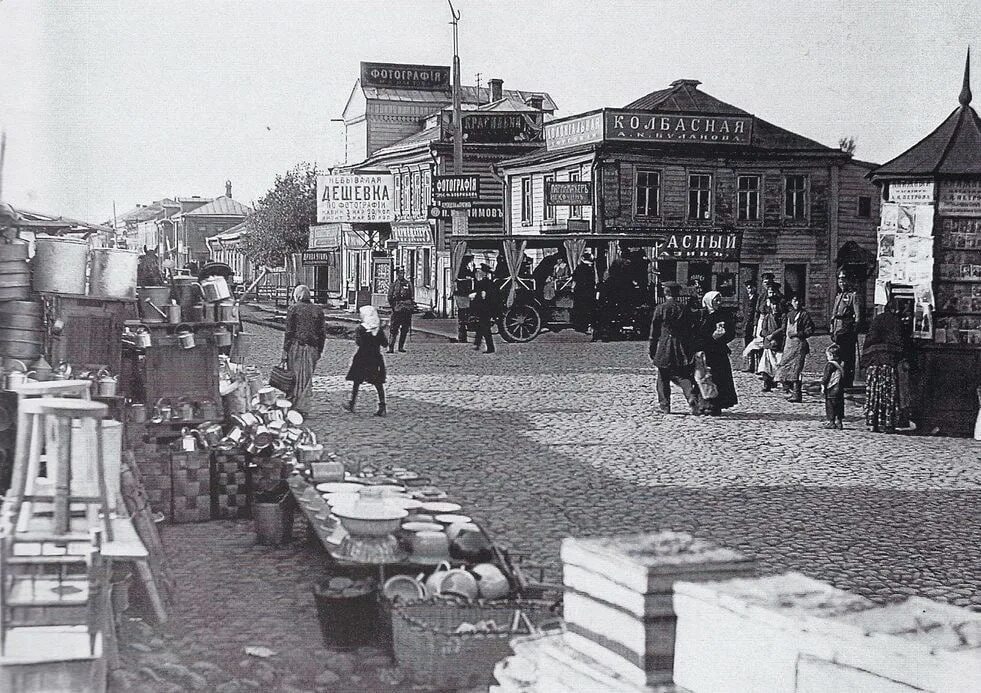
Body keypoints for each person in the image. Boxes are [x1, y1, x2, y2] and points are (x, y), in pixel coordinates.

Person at [649, 281, 699, 415]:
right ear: (677, 293)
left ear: (665, 293)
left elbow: (654, 332)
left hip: (665, 346)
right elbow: (692, 330)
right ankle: (691, 396)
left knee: (663, 376)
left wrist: (652, 349)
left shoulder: (661, 308)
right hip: (681, 346)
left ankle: (665, 406)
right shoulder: (684, 309)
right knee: (683, 376)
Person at [861, 298, 908, 433]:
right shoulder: (897, 322)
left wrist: (865, 362)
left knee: (874, 393)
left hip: (874, 362)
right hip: (888, 363)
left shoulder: (877, 319)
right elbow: (901, 343)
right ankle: (888, 424)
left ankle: (873, 423)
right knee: (888, 394)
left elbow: (869, 339)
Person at [282, 284, 325, 415]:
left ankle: (294, 405)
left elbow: (289, 332)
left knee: (294, 377)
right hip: (312, 348)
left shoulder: (293, 309)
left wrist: (285, 351)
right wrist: (319, 350)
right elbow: (322, 333)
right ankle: (303, 406)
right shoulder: (318, 310)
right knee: (306, 379)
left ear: (297, 295)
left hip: (296, 346)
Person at [693, 291, 738, 415]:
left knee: (719, 378)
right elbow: (696, 334)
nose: (719, 303)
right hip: (704, 352)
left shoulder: (723, 315)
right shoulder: (700, 315)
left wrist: (721, 337)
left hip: (718, 352)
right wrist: (710, 337)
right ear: (708, 301)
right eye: (716, 300)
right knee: (703, 378)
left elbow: (731, 332)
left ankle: (716, 405)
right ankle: (702, 404)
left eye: (720, 300)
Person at [343, 305, 388, 417]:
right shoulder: (378, 330)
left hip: (362, 358)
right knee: (378, 383)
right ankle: (382, 405)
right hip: (375, 358)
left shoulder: (361, 329)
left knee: (357, 381)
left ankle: (352, 403)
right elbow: (385, 344)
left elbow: (359, 343)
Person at [773, 293, 815, 403]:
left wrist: (798, 333)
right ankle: (789, 389)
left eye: (798, 301)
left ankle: (797, 394)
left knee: (796, 369)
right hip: (788, 345)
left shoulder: (804, 315)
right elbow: (784, 331)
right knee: (783, 366)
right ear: (791, 302)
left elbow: (810, 330)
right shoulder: (789, 315)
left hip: (799, 345)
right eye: (794, 300)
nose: (796, 303)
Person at [830, 270, 862, 388]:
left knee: (847, 356)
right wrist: (831, 329)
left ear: (848, 281)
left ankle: (847, 381)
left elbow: (858, 316)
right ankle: (838, 378)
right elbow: (834, 314)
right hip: (838, 329)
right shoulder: (839, 296)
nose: (841, 282)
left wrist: (854, 330)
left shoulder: (853, 296)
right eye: (839, 280)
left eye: (844, 280)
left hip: (847, 329)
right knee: (837, 355)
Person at [755, 284, 785, 392]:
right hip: (768, 344)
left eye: (776, 305)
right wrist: (766, 335)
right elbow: (762, 330)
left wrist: (774, 335)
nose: (775, 307)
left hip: (778, 343)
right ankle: (767, 383)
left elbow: (783, 328)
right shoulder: (767, 317)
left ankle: (783, 383)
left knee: (778, 363)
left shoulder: (782, 317)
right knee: (766, 365)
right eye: (772, 305)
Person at [470, 263, 500, 354]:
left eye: (481, 272)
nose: (480, 273)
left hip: (485, 309)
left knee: (484, 328)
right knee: (481, 327)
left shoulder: (485, 283)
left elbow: (488, 298)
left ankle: (489, 347)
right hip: (485, 309)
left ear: (484, 273)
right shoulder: (488, 283)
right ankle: (478, 344)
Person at [387, 267, 414, 353]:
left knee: (405, 329)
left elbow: (411, 296)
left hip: (406, 310)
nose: (401, 275)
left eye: (402, 273)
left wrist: (410, 306)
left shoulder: (408, 284)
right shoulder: (394, 285)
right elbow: (390, 297)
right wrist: (393, 306)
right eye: (400, 273)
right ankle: (391, 347)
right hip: (397, 309)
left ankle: (401, 347)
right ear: (397, 274)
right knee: (394, 328)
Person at [821, 344, 846, 429]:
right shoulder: (841, 364)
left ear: (831, 355)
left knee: (830, 405)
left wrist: (823, 385)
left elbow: (826, 376)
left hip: (831, 388)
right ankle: (839, 421)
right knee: (839, 405)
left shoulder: (830, 364)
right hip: (840, 388)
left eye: (827, 355)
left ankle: (831, 421)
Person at [571, 252, 596, 333]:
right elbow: (592, 281)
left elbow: (574, 278)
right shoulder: (590, 268)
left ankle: (580, 326)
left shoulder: (579, 267)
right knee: (588, 309)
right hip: (588, 291)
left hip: (579, 291)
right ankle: (587, 326)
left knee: (580, 309)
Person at [742, 280, 760, 373]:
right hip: (747, 325)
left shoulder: (757, 298)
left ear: (754, 288)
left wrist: (755, 325)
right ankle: (750, 366)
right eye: (747, 288)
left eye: (750, 287)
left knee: (757, 346)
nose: (749, 290)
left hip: (754, 324)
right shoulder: (746, 298)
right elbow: (745, 311)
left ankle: (759, 367)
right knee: (748, 345)